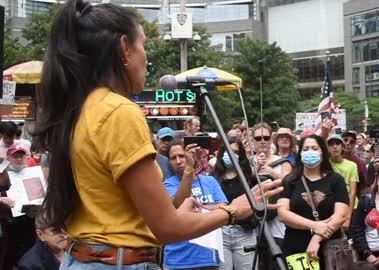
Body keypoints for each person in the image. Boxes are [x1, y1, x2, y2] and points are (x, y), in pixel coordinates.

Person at [32, 1, 283, 269]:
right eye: (144, 46)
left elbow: (117, 218)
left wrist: (176, 215)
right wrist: (233, 210)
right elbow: (168, 228)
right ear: (124, 48)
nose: (147, 58)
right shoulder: (119, 112)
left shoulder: (80, 110)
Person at [277, 134, 349, 269]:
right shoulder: (290, 180)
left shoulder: (336, 180)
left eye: (315, 148)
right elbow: (283, 214)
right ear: (300, 153)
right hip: (296, 250)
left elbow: (341, 215)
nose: (310, 152)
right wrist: (313, 225)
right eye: (306, 149)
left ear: (323, 152)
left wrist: (316, 238)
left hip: (330, 249)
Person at [164, 142, 229, 269]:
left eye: (182, 156)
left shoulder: (209, 181)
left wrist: (197, 208)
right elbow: (179, 203)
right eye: (173, 158)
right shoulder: (168, 184)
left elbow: (224, 208)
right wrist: (189, 168)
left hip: (209, 257)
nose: (178, 161)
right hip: (179, 260)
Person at [213, 137, 257, 270]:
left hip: (244, 232)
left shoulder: (249, 178)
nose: (231, 155)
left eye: (235, 152)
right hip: (221, 232)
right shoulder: (213, 178)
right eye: (227, 151)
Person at [252, 122, 291, 270]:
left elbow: (290, 185)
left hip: (277, 224)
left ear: (271, 140)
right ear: (252, 140)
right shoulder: (245, 162)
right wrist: (254, 170)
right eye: (258, 138)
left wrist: (273, 173)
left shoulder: (282, 162)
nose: (262, 141)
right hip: (254, 224)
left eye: (266, 137)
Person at [327, 134, 359, 231]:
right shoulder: (325, 165)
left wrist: (348, 217)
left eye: (337, 144)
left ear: (342, 147)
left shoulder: (352, 165)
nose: (335, 147)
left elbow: (352, 192)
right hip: (331, 206)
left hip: (349, 207)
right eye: (331, 144)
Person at [342, 131, 368, 197]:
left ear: (354, 145)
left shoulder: (359, 163)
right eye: (345, 140)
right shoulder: (332, 159)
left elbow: (363, 186)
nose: (348, 143)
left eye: (352, 142)